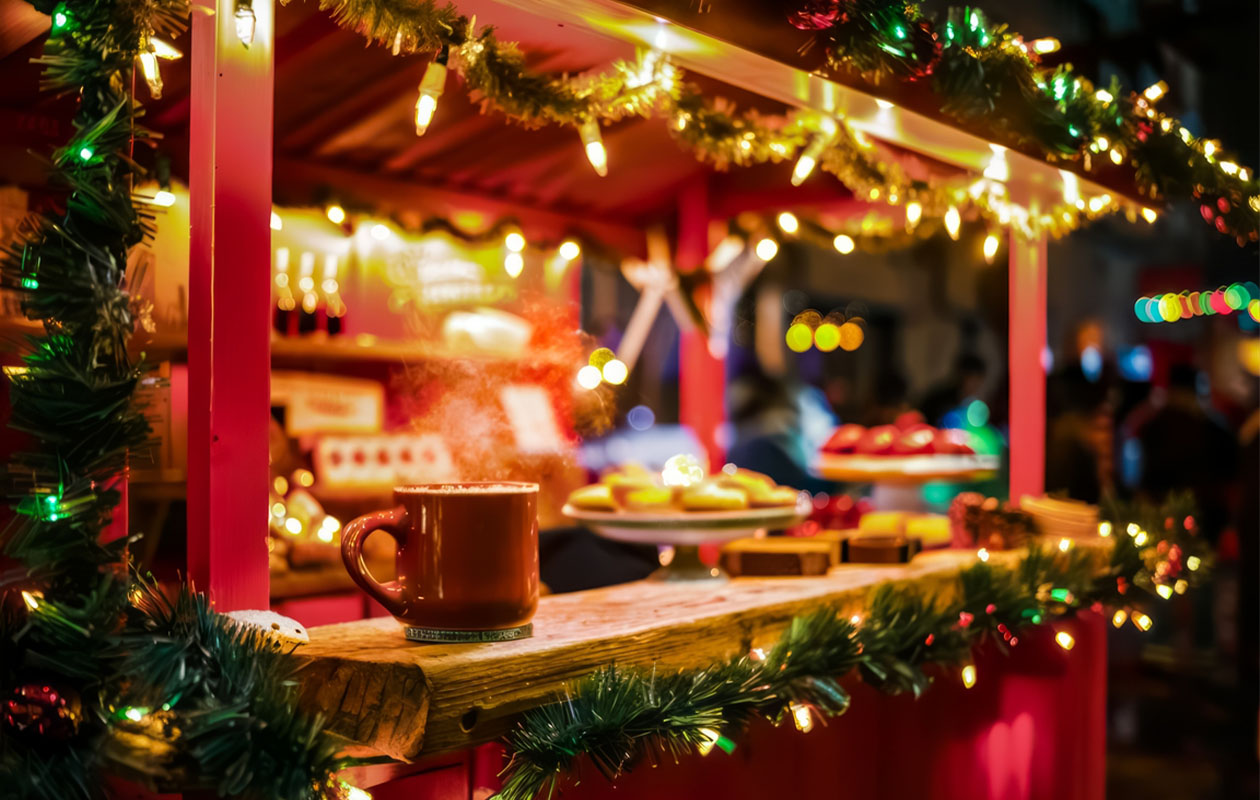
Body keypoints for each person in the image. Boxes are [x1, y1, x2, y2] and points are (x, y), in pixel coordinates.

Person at [918, 353, 986, 426]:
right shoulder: (941, 401)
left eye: (979, 380)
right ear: (962, 375)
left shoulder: (975, 404)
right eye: (973, 379)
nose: (976, 385)